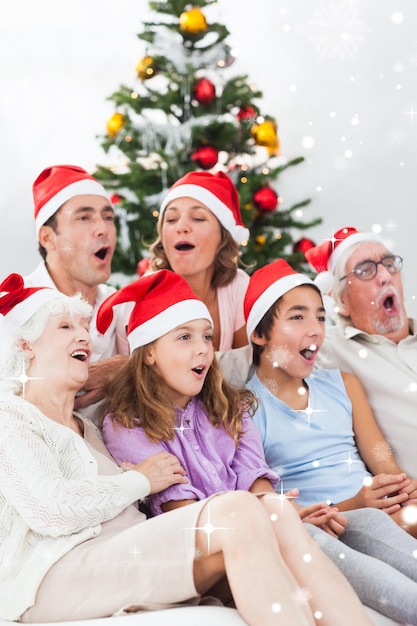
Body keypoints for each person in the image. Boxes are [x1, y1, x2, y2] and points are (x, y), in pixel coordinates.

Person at [0, 273, 371, 626]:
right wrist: (139, 481)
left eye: (83, 327)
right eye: (65, 327)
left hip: (129, 556)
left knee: (273, 509)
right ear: (24, 345)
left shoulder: (90, 430)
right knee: (239, 510)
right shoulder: (11, 417)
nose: (82, 336)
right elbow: (51, 511)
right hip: (54, 574)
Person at [242, 258, 417, 625]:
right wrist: (357, 502)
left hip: (382, 509)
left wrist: (399, 484)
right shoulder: (244, 409)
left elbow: (381, 455)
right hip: (328, 525)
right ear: (259, 334)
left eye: (321, 318)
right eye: (297, 317)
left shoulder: (344, 384)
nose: (315, 330)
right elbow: (276, 511)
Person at [304, 226, 417, 478]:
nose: (385, 276)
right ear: (341, 302)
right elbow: (261, 354)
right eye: (365, 269)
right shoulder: (328, 349)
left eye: (389, 263)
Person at [23, 164, 131, 420]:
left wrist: (128, 369)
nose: (103, 229)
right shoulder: (14, 312)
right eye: (84, 218)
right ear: (48, 238)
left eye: (108, 217)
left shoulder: (123, 307)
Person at [148, 170, 250, 351]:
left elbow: (247, 368)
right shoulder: (145, 295)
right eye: (171, 219)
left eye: (198, 218)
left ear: (223, 236)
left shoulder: (238, 287)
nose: (181, 227)